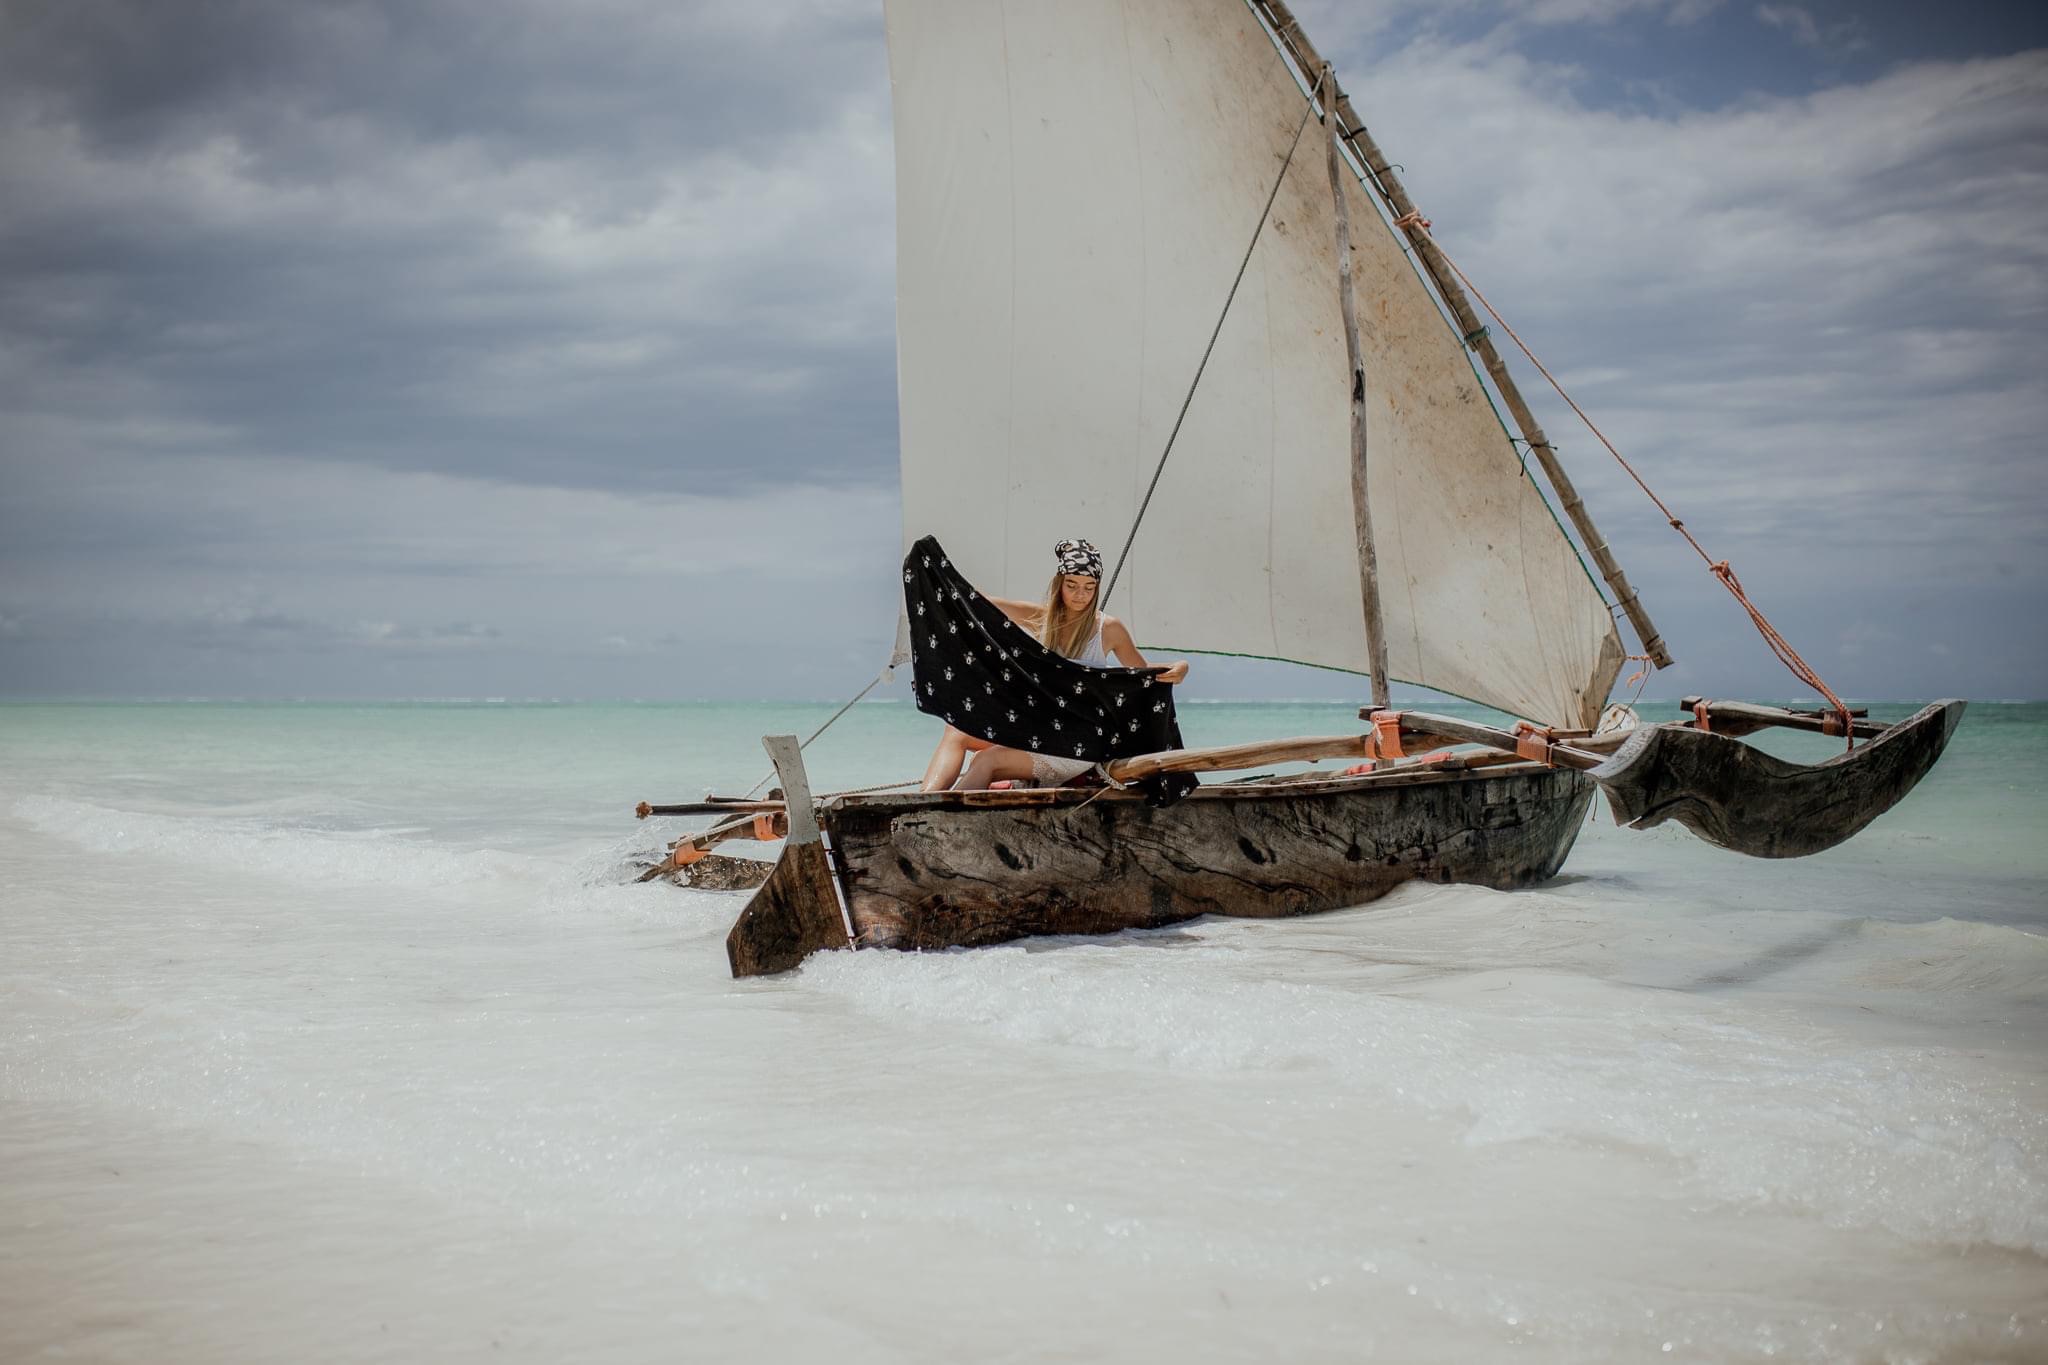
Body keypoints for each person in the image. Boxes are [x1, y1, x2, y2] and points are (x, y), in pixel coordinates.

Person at [919, 537, 1189, 791]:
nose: (1080, 594)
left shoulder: (1109, 629)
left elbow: (1144, 674)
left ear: (1097, 588)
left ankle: (943, 818)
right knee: (956, 731)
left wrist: (1180, 666)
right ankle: (923, 803)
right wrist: (936, 578)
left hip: (1079, 743)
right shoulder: (1042, 619)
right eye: (1072, 585)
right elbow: (978, 603)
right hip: (1041, 726)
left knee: (985, 761)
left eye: (1088, 587)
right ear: (1059, 584)